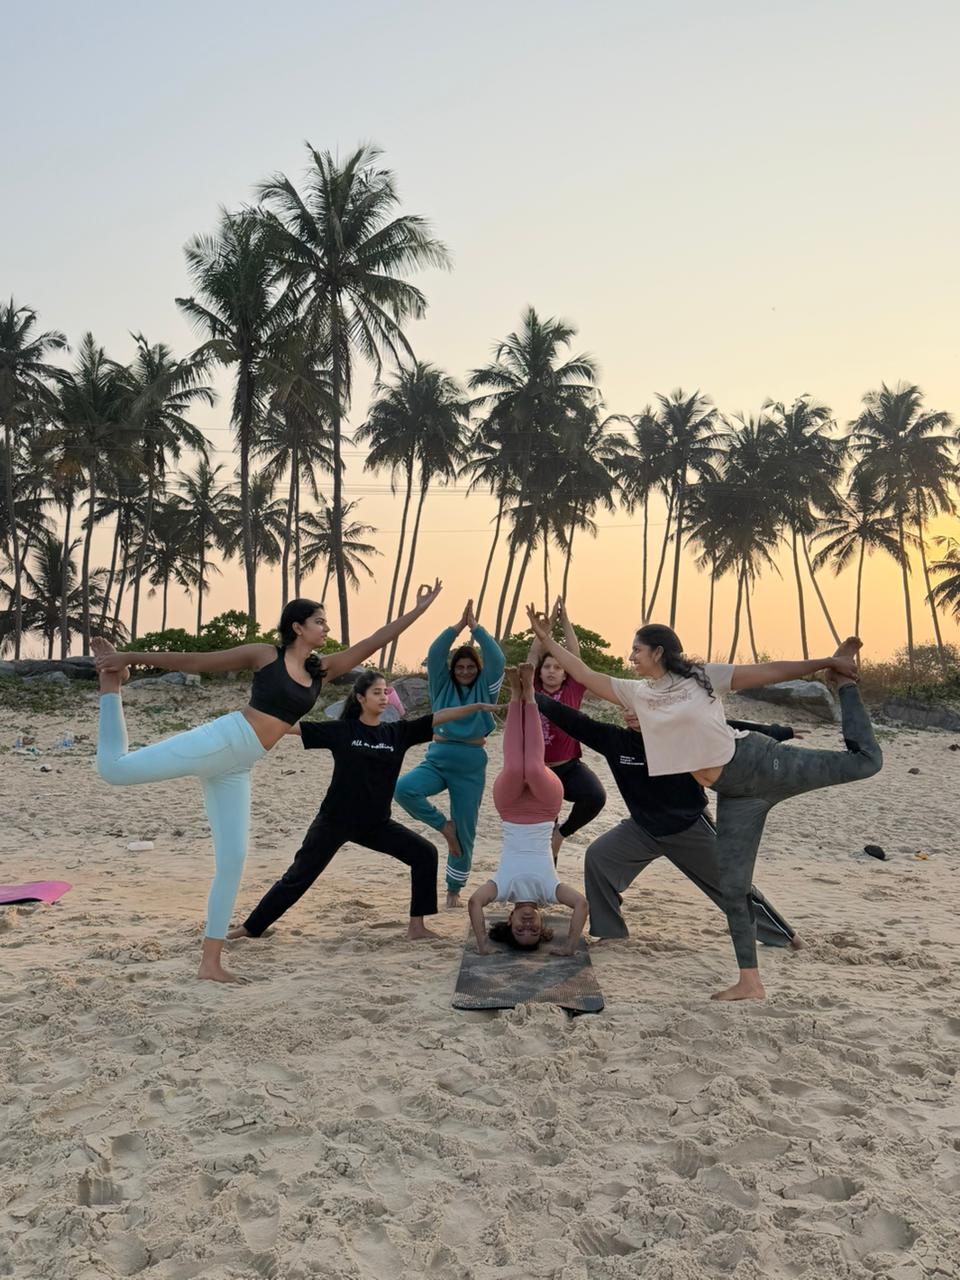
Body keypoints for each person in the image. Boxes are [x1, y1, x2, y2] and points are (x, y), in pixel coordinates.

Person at [90, 581, 443, 983]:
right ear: (297, 627)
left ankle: (210, 963)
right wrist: (128, 657)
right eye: (319, 621)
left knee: (233, 861)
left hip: (239, 765)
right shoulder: (265, 655)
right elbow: (199, 661)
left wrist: (419, 610)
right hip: (222, 740)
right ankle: (112, 685)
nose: (326, 628)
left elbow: (372, 642)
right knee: (114, 770)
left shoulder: (320, 670)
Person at [526, 607, 882, 1001]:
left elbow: (767, 672)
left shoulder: (702, 678)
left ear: (658, 652)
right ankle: (749, 982)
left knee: (865, 763)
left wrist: (825, 664)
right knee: (729, 886)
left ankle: (844, 682)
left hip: (750, 772)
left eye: (637, 650)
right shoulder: (636, 698)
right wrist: (546, 640)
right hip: (722, 799)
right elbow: (582, 674)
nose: (631, 657)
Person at [227, 671, 503, 945]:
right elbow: (293, 728)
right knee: (298, 876)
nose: (383, 697)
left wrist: (475, 707)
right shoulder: (343, 731)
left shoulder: (397, 733)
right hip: (335, 821)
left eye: (386, 692)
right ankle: (251, 927)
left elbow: (437, 717)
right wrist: (250, 721)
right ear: (360, 698)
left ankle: (417, 927)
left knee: (425, 854)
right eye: (376, 692)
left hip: (376, 824)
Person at [534, 692, 799, 950]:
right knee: (599, 857)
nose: (630, 714)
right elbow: (575, 721)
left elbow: (728, 729)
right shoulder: (615, 740)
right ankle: (611, 933)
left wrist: (778, 731)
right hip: (643, 829)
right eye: (626, 708)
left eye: (638, 708)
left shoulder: (680, 736)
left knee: (732, 886)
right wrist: (533, 695)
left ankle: (786, 937)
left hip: (689, 829)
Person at [468, 664, 588, 956]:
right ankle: (530, 695)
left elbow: (474, 902)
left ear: (508, 920)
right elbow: (582, 904)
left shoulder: (503, 888)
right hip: (545, 809)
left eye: (519, 931)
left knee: (514, 767)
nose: (526, 926)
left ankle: (515, 694)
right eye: (534, 931)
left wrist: (483, 943)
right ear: (542, 922)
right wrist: (570, 946)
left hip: (510, 809)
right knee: (533, 767)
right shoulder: (549, 891)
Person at [395, 599, 506, 909]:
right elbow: (435, 653)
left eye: (470, 667)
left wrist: (476, 629)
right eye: (460, 667)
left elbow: (497, 658)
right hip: (437, 758)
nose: (465, 671)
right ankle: (445, 828)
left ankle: (453, 890)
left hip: (471, 765)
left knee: (466, 829)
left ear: (478, 669)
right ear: (452, 670)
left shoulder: (487, 688)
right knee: (403, 789)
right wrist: (457, 627)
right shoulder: (441, 686)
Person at [528, 597, 606, 862]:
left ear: (565, 673)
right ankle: (546, 872)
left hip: (569, 768)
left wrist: (565, 621)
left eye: (557, 667)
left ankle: (561, 834)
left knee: (595, 797)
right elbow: (532, 657)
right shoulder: (531, 689)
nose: (552, 671)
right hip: (538, 771)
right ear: (540, 673)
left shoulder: (573, 689)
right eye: (547, 667)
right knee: (542, 832)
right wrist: (545, 627)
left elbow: (575, 656)